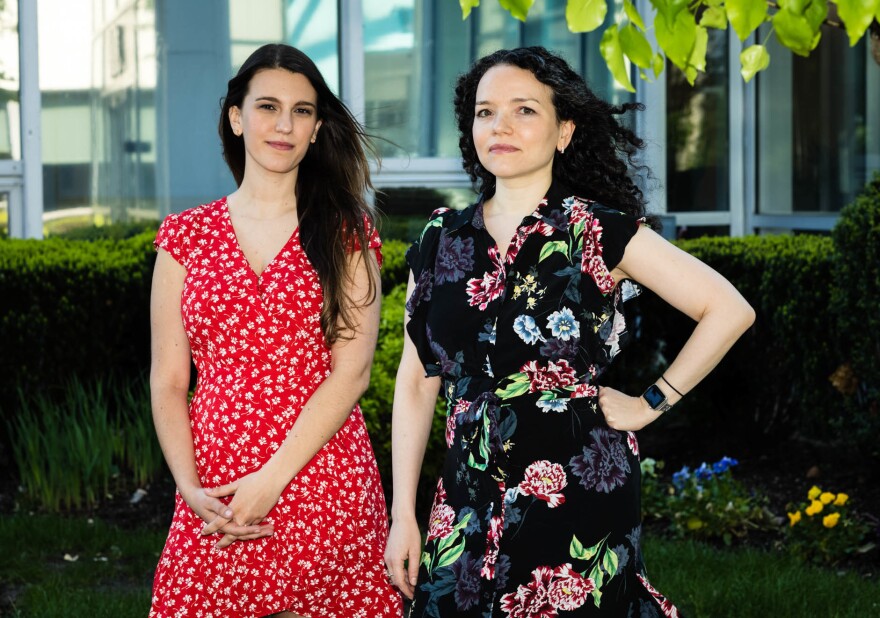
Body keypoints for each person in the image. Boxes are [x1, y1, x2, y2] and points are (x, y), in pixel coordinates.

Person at [384, 46, 755, 617]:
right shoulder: (439, 239)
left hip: (574, 485)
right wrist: (402, 515)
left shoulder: (599, 231)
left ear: (564, 131)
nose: (501, 125)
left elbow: (728, 309)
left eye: (524, 110)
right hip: (464, 491)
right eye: (486, 112)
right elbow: (415, 382)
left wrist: (650, 402)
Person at [149, 43, 402, 618]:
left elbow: (352, 372)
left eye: (303, 111)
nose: (284, 125)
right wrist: (189, 488)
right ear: (236, 118)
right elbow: (168, 379)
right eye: (267, 106)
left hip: (322, 473)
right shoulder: (184, 237)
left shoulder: (345, 232)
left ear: (317, 129)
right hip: (214, 487)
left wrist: (272, 479)